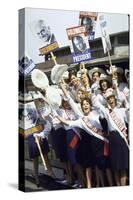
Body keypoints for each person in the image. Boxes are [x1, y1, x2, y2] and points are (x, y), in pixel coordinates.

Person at [92, 88, 129, 186]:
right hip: (112, 138)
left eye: (112, 98)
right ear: (107, 101)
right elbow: (96, 104)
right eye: (108, 99)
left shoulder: (122, 110)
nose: (111, 100)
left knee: (123, 166)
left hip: (122, 138)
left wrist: (116, 87)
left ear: (115, 99)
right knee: (115, 167)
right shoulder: (106, 111)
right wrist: (94, 91)